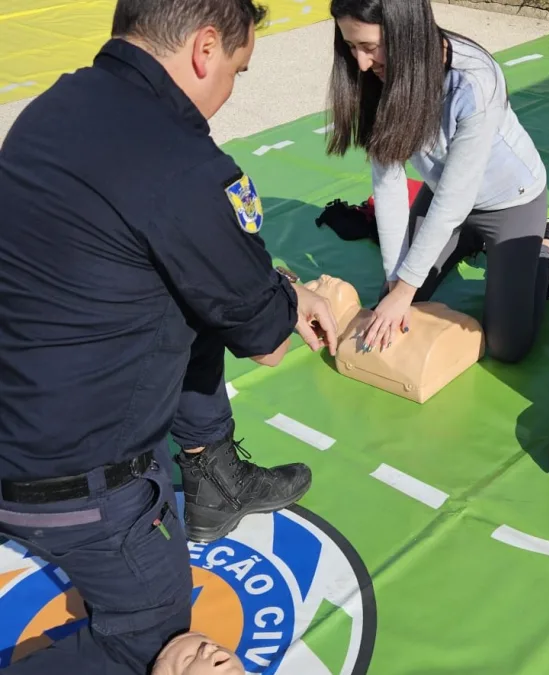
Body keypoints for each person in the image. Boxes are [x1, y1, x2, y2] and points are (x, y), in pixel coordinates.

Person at [0, 1, 338, 672]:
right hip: (66, 479)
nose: (229, 93)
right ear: (204, 48)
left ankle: (214, 475)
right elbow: (268, 337)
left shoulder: (53, 108)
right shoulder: (185, 168)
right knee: (156, 637)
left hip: (21, 404)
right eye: (237, 71)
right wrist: (302, 296)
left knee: (195, 292)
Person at [324, 0, 549, 363]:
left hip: (509, 201)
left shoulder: (474, 80)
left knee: (507, 346)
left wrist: (405, 288)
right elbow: (389, 185)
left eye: (369, 47)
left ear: (407, 33)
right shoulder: (375, 75)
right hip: (443, 195)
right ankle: (466, 243)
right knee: (393, 304)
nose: (360, 63)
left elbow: (457, 197)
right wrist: (397, 285)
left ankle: (546, 244)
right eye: (350, 46)